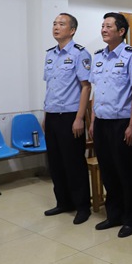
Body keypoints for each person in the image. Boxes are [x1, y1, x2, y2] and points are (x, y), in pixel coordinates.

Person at [88, 12, 132, 238]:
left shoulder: (131, 56)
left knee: (125, 172)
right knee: (108, 171)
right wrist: (93, 121)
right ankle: (114, 214)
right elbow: (96, 91)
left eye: (108, 26)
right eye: (102, 26)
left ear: (121, 31)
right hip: (102, 122)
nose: (103, 29)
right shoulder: (98, 57)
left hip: (122, 122)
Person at [42, 13, 92, 225]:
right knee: (55, 163)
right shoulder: (50, 54)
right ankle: (63, 202)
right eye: (54, 23)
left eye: (61, 24)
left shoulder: (80, 53)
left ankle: (82, 206)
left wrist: (80, 118)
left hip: (71, 116)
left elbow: (86, 87)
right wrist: (46, 115)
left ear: (72, 30)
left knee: (74, 163)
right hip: (52, 116)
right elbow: (50, 87)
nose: (56, 27)